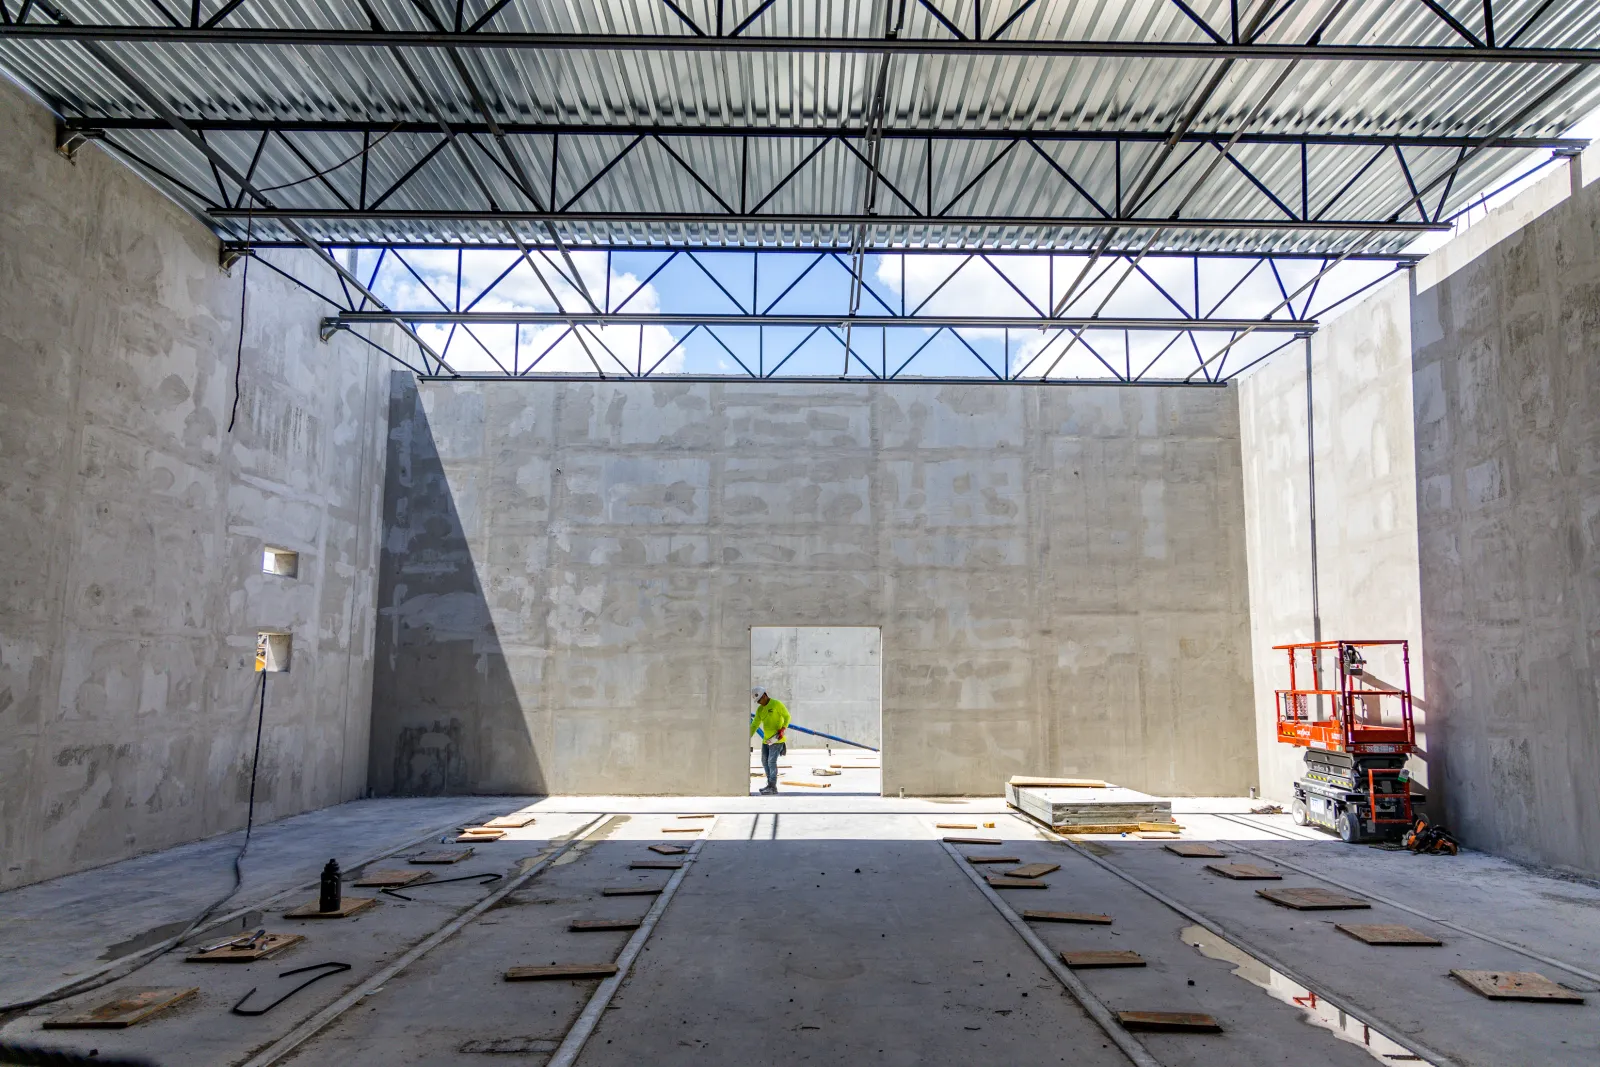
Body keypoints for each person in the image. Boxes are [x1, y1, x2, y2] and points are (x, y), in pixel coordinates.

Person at [750, 687, 791, 795]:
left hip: (777, 739)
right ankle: (769, 785)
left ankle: (773, 786)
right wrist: (747, 737)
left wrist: (783, 728)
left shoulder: (776, 704)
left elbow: (787, 716)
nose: (759, 703)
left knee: (771, 762)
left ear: (764, 695)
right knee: (764, 761)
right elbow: (754, 725)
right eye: (757, 701)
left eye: (759, 700)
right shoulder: (760, 710)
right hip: (767, 740)